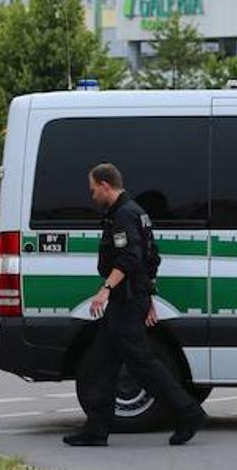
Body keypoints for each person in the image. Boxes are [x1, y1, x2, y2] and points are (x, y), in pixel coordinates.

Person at [65, 163, 206, 447]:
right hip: (131, 299)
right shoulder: (135, 213)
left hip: (126, 302)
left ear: (106, 185)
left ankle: (189, 412)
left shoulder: (124, 215)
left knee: (142, 364)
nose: (92, 196)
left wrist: (105, 290)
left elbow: (130, 258)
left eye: (94, 190)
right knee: (100, 364)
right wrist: (148, 298)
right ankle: (96, 429)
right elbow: (150, 259)